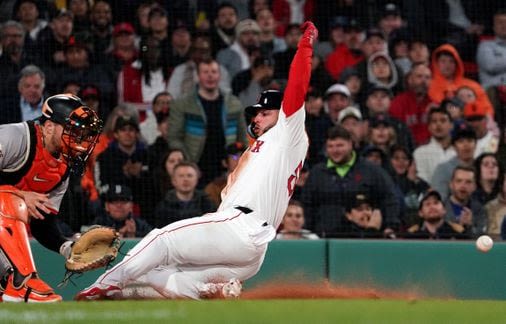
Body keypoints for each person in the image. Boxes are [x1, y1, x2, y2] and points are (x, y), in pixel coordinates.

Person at [75, 21, 318, 301]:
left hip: (240, 227)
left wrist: (304, 47)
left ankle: (103, 284)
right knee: (160, 271)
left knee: (159, 239)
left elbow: (297, 87)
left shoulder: (288, 132)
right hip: (249, 249)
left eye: (264, 113)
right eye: (255, 114)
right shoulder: (264, 151)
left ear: (282, 113)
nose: (257, 118)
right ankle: (213, 291)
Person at [0, 94, 102, 302]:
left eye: (81, 132)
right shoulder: (14, 136)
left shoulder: (62, 166)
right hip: (8, 205)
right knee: (12, 202)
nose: (79, 138)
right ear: (48, 128)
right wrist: (20, 194)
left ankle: (11, 285)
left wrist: (67, 247)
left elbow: (43, 223)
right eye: (72, 130)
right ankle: (23, 281)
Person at [301, 125, 400, 238]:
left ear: (350, 144)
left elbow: (389, 199)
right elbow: (307, 205)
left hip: (363, 239)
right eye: (330, 146)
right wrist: (307, 231)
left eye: (340, 145)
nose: (335, 150)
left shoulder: (371, 170)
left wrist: (390, 226)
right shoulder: (317, 173)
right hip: (324, 238)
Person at [153, 162, 215, 228]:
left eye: (189, 175)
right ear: (173, 180)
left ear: (197, 179)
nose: (185, 179)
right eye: (181, 176)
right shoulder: (163, 207)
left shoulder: (207, 204)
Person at [431, 126, 477, 198]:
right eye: (461, 141)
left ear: (476, 145)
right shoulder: (443, 169)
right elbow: (439, 198)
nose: (466, 145)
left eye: (470, 140)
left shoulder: (481, 166)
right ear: (454, 147)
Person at [413, 107, 455, 183]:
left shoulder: (460, 151)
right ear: (429, 127)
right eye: (434, 121)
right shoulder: (420, 152)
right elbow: (422, 181)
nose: (438, 124)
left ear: (451, 125)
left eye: (443, 121)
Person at [404, 191, 469, 239]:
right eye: (427, 204)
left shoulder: (456, 232)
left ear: (444, 210)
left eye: (436, 203)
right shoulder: (412, 235)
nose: (432, 207)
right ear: (420, 213)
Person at [444, 166, 487, 238]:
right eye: (459, 181)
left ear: (474, 186)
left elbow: (481, 238)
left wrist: (469, 226)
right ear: (451, 184)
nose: (463, 186)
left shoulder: (479, 210)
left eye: (468, 182)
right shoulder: (440, 207)